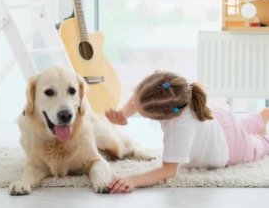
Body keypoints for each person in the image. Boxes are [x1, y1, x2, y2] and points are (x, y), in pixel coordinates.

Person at [105, 70, 269, 194]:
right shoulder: (165, 87)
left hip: (230, 148)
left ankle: (262, 133)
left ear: (162, 117)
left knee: (257, 146)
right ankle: (261, 117)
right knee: (240, 126)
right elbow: (138, 98)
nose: (132, 102)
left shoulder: (179, 128)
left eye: (139, 110)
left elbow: (168, 170)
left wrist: (133, 180)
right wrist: (123, 115)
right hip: (219, 120)